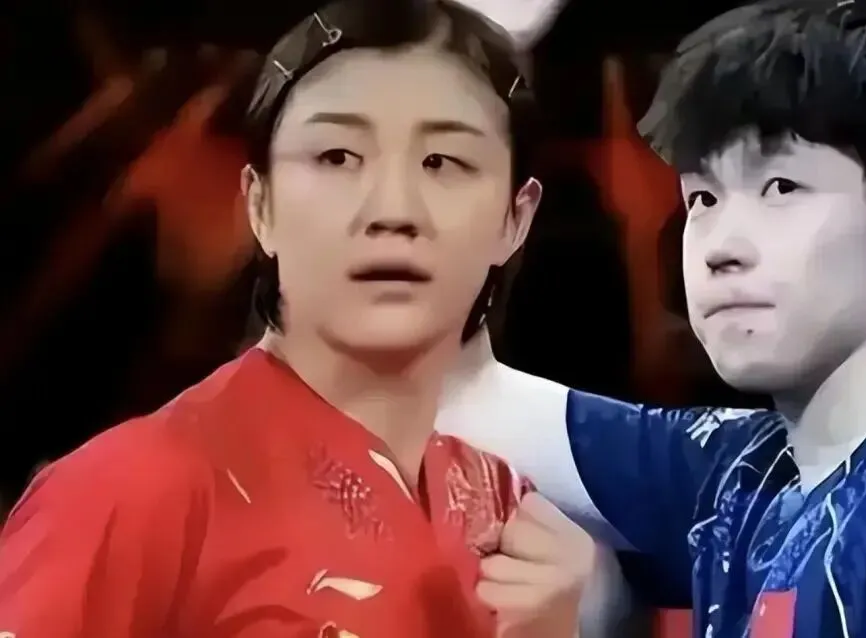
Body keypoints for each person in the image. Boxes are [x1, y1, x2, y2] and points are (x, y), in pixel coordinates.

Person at [436, 1, 866, 636]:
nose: (720, 247)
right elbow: (461, 391)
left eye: (781, 188)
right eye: (703, 198)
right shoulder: (743, 473)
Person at [0, 1, 596, 637]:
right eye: (337, 157)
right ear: (261, 206)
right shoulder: (128, 495)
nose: (393, 209)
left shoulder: (509, 510)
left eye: (443, 161)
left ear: (515, 219)